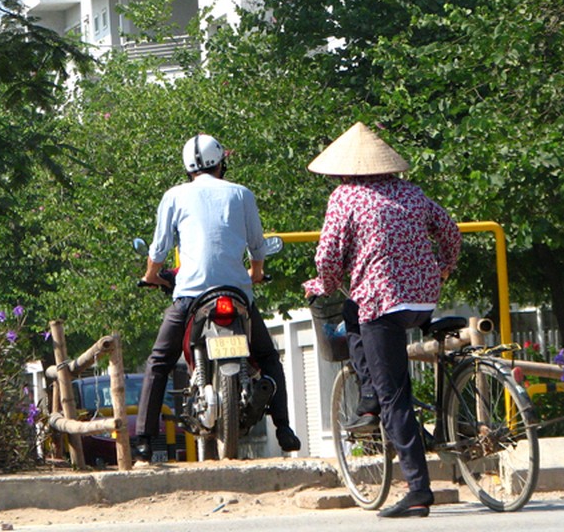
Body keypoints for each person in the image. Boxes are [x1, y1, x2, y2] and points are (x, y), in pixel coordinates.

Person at [303, 122, 462, 519]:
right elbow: (450, 231)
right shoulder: (411, 192)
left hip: (383, 301)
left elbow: (328, 256)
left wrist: (323, 283)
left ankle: (418, 489)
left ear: (344, 170)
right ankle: (373, 394)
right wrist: (444, 268)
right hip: (423, 299)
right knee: (355, 311)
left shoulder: (346, 196)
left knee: (396, 397)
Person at [134, 133, 301, 461]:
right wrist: (255, 273)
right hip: (236, 294)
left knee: (159, 363)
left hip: (190, 297)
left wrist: (151, 277)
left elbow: (159, 249)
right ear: (222, 163)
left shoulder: (174, 196)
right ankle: (284, 428)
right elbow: (258, 246)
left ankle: (142, 439)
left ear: (187, 168)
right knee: (267, 357)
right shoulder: (242, 194)